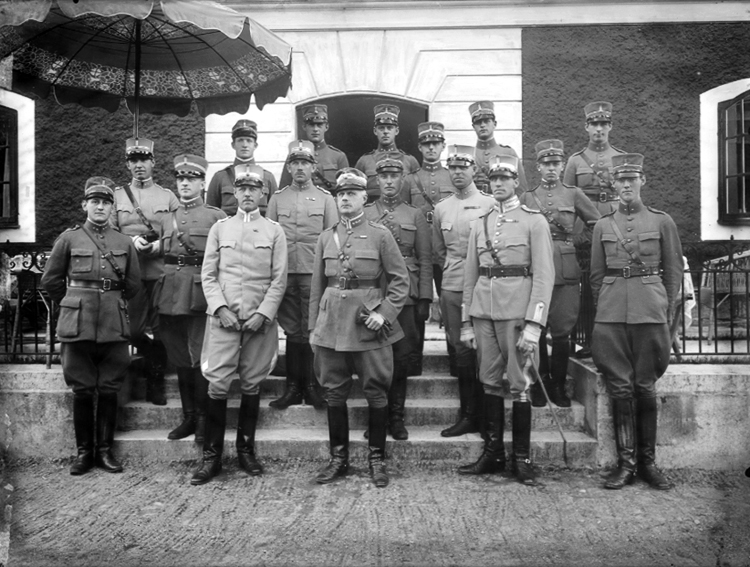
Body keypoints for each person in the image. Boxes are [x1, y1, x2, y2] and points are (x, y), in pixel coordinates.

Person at [309, 168, 409, 488]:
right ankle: (338, 459)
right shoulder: (326, 237)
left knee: (376, 390)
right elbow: (317, 287)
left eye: (351, 193)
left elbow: (400, 281)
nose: (345, 199)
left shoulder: (380, 235)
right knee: (333, 392)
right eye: (340, 194)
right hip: (331, 326)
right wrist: (314, 329)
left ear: (365, 198)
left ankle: (377, 460)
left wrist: (385, 314)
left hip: (368, 323)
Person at [458, 155, 554, 485]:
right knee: (488, 380)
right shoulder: (481, 223)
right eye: (493, 179)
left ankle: (521, 458)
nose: (498, 183)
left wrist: (535, 324)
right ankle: (493, 452)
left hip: (517, 313)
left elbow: (544, 276)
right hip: (483, 312)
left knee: (520, 382)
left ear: (516, 182)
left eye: (504, 178)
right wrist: (466, 322)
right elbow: (470, 276)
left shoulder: (534, 221)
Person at [589, 153, 682, 491]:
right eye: (620, 180)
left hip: (650, 311)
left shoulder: (662, 221)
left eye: (632, 179)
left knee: (645, 386)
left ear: (643, 181)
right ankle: (625, 464)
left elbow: (673, 271)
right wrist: (605, 306)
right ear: (613, 184)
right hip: (611, 314)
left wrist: (663, 308)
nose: (626, 185)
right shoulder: (603, 225)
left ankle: (648, 464)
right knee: (620, 387)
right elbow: (596, 275)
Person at [191, 164, 288, 485]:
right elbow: (208, 274)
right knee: (217, 384)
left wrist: (264, 313)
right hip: (224, 320)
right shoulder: (220, 228)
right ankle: (211, 457)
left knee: (252, 384)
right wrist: (220, 308)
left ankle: (246, 451)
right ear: (234, 192)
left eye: (253, 189)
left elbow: (279, 279)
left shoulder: (274, 231)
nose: (247, 194)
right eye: (242, 188)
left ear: (262, 193)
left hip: (260, 321)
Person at [41, 178, 142, 475]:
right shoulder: (69, 239)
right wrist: (73, 302)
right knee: (82, 389)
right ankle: (84, 453)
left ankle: (105, 452)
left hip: (113, 322)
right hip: (78, 324)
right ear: (84, 205)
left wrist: (110, 301)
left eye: (106, 203)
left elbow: (133, 284)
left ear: (112, 208)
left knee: (109, 387)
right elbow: (51, 280)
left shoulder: (123, 242)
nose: (100, 207)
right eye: (95, 202)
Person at [520, 140, 600, 408]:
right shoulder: (528, 197)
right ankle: (540, 384)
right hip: (535, 269)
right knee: (537, 328)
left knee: (563, 331)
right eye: (546, 164)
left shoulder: (573, 194)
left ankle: (558, 385)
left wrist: (572, 242)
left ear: (563, 165)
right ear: (538, 167)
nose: (551, 168)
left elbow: (596, 224)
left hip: (565, 270)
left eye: (555, 163)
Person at [155, 154, 226, 443]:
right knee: (179, 356)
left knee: (200, 356)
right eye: (181, 178)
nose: (184, 183)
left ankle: (203, 419)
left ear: (202, 184)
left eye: (191, 179)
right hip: (170, 292)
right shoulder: (166, 219)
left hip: (199, 292)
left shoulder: (215, 217)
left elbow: (222, 260)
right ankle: (188, 417)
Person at [364, 158, 432, 440]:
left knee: (401, 357)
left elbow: (425, 258)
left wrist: (425, 297)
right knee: (375, 357)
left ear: (402, 179)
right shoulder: (366, 212)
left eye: (394, 176)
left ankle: (396, 417)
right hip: (374, 293)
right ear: (377, 180)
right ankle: (376, 417)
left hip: (407, 295)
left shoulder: (415, 214)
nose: (389, 181)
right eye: (384, 176)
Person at [267, 140, 338, 410]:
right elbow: (270, 238)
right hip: (285, 273)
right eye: (295, 163)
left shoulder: (326, 198)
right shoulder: (278, 198)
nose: (299, 168)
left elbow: (332, 240)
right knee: (291, 329)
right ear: (288, 167)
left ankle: (313, 387)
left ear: (313, 167)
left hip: (313, 274)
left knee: (312, 329)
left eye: (304, 163)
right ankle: (293, 388)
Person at [111, 138, 179, 406]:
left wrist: (159, 246)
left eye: (144, 160)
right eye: (134, 160)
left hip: (160, 271)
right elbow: (110, 232)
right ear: (127, 165)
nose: (139, 165)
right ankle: (153, 359)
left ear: (153, 162)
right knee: (134, 330)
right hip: (131, 274)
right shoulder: (117, 196)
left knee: (162, 328)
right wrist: (131, 242)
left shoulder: (167, 196)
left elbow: (178, 233)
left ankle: (156, 382)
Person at [432, 145, 494, 437]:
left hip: (484, 284)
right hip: (453, 284)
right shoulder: (441, 208)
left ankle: (488, 417)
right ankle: (468, 415)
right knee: (461, 350)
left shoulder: (489, 203)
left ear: (474, 170)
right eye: (453, 167)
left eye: (463, 167)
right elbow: (438, 251)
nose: (457, 172)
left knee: (485, 348)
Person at [400, 121, 456, 376]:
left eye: (435, 144)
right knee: (418, 307)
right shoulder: (410, 180)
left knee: (451, 305)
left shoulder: (452, 176)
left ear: (443, 146)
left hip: (447, 254)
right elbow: (403, 214)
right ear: (420, 148)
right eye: (426, 144)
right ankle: (414, 361)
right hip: (419, 254)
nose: (431, 148)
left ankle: (456, 358)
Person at [563, 101, 626, 215]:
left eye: (603, 124)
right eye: (594, 124)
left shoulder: (622, 158)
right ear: (587, 127)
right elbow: (567, 199)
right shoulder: (575, 160)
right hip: (585, 218)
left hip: (616, 216)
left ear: (610, 126)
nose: (599, 129)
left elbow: (630, 195)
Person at [206, 119, 279, 216]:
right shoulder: (220, 177)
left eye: (249, 141)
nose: (244, 145)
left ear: (255, 145)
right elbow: (211, 214)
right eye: (240, 140)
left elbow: (274, 213)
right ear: (233, 145)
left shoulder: (268, 178)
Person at [355, 104, 420, 203]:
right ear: (375, 131)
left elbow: (416, 195)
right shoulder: (364, 161)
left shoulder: (410, 161)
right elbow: (356, 193)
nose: (385, 132)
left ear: (396, 131)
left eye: (389, 128)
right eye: (381, 128)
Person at [278, 104, 349, 190]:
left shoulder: (338, 157)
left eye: (319, 125)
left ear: (326, 127)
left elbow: (346, 189)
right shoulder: (294, 155)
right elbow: (284, 189)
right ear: (304, 127)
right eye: (311, 125)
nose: (315, 129)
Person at [469, 101, 528, 194]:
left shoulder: (508, 153)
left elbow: (521, 189)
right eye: (478, 122)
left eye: (487, 121)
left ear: (495, 124)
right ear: (473, 126)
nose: (482, 125)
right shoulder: (469, 155)